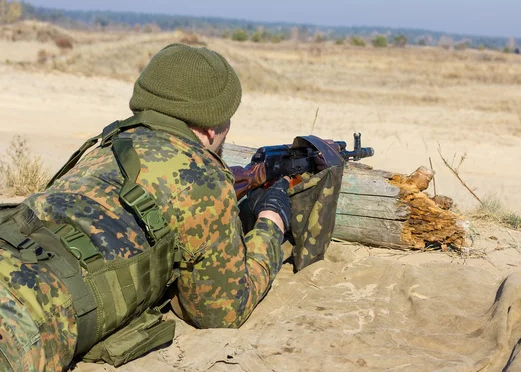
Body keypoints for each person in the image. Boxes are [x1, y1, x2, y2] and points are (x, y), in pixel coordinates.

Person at [0, 44, 320, 371]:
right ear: (211, 128)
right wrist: (270, 222)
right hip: (25, 320)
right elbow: (220, 311)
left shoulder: (106, 144)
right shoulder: (204, 181)